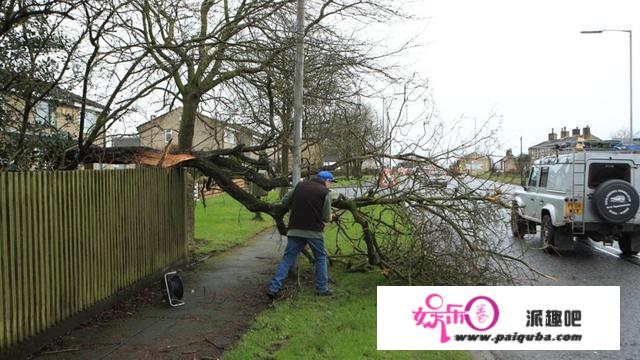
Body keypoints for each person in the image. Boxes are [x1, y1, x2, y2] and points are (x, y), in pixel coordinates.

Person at [267, 170, 336, 298]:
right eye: (331, 182)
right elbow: (326, 218)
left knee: (287, 258)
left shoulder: (300, 185)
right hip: (314, 232)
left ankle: (273, 288)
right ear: (327, 181)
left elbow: (285, 202)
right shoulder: (326, 193)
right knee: (320, 258)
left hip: (295, 229)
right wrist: (331, 216)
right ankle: (322, 289)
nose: (330, 185)